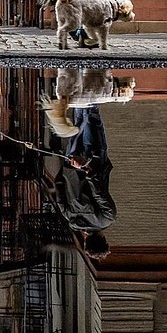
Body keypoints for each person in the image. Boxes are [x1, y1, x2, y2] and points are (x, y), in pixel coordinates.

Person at [49, 104, 116, 261]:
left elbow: (100, 193)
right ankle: (79, 87)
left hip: (93, 162)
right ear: (86, 241)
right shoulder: (71, 220)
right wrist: (67, 169)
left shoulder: (107, 218)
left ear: (104, 240)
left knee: (92, 116)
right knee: (79, 120)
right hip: (72, 163)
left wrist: (87, 170)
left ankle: (88, 85)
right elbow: (59, 193)